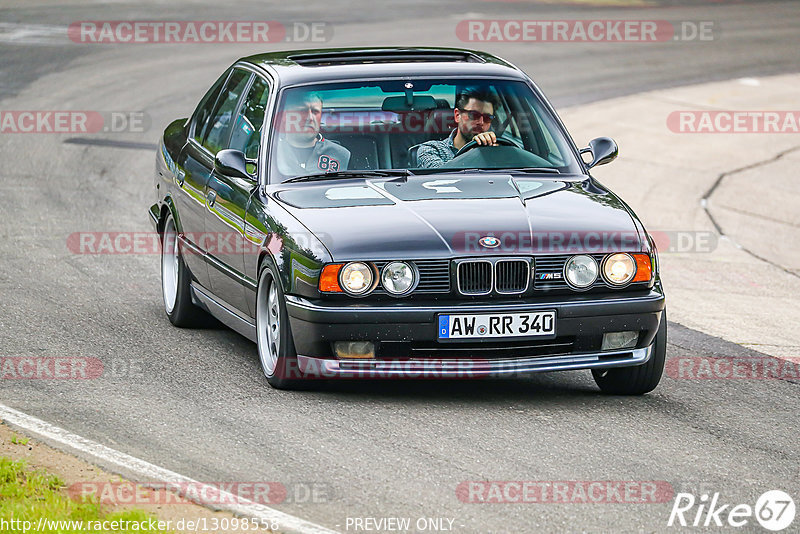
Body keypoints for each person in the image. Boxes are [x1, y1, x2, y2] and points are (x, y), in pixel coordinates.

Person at [417, 88, 499, 168]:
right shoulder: (431, 150)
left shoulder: (496, 150)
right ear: (457, 116)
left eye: (487, 118)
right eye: (474, 115)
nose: (481, 122)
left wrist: (496, 153)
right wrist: (476, 152)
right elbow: (440, 177)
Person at [276, 91, 350, 176]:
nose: (310, 118)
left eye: (315, 112)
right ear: (285, 116)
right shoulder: (271, 154)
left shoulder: (341, 155)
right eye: (303, 111)